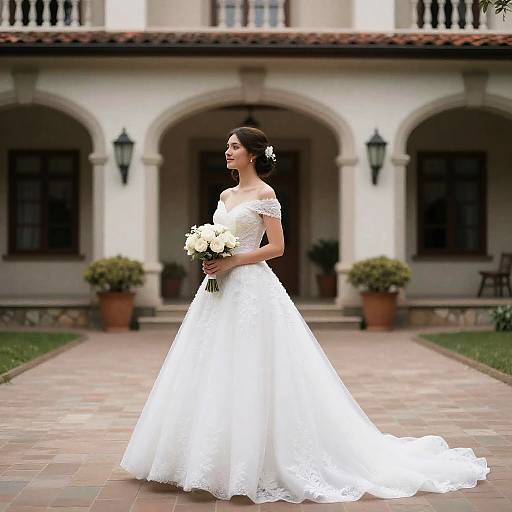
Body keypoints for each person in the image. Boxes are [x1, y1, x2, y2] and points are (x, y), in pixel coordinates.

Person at [119, 126, 490, 504]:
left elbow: (277, 247)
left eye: (234, 147)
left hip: (250, 287)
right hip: (218, 292)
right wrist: (210, 257)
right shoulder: (225, 194)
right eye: (227, 146)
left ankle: (258, 461)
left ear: (251, 154)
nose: (227, 151)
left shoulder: (266, 194)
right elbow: (220, 233)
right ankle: (197, 457)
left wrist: (233, 260)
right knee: (210, 364)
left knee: (255, 366)